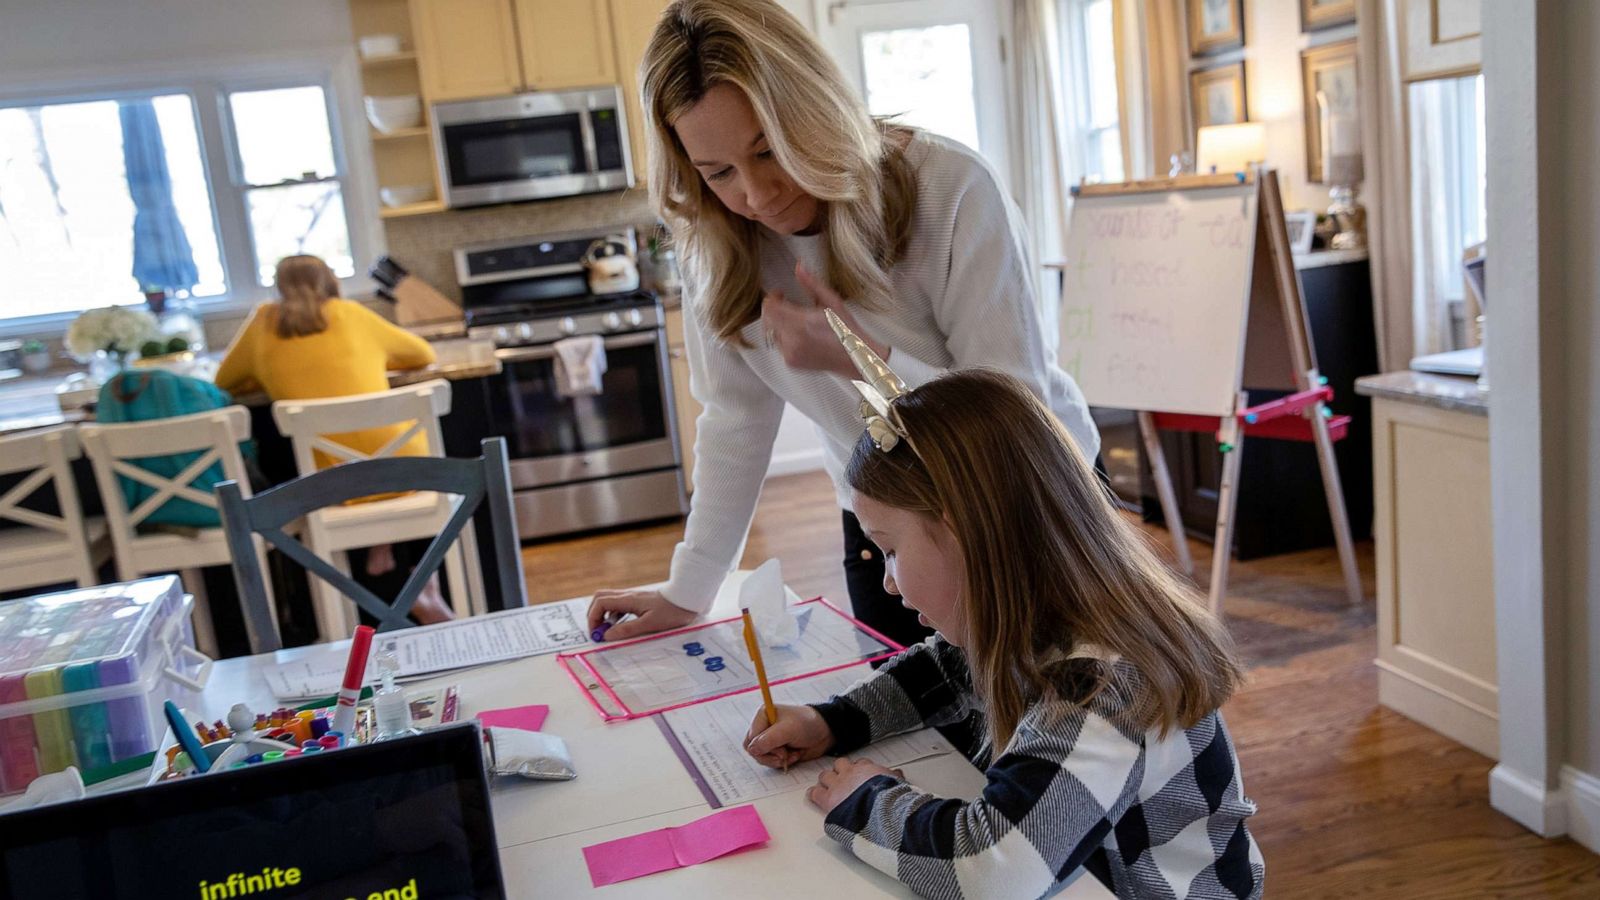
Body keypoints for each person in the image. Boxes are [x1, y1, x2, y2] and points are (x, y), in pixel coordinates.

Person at [587, 0, 1099, 649]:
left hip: (1029, 505)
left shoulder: (952, 186)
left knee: (1050, 735)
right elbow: (734, 422)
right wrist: (689, 590)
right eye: (718, 173)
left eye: (768, 149)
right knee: (906, 731)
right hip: (885, 524)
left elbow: (1013, 416)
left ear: (814, 109)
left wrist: (863, 356)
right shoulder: (711, 243)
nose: (757, 194)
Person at [743, 327, 1263, 898]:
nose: (887, 581)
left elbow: (996, 870)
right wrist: (831, 723)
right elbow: (939, 672)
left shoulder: (1103, 686)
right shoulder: (1038, 619)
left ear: (969, 536)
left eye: (891, 549)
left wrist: (865, 802)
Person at [215, 255, 453, 625]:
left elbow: (224, 382)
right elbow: (422, 354)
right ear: (329, 280)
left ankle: (361, 592)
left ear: (280, 286)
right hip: (403, 469)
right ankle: (416, 581)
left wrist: (266, 373)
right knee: (376, 457)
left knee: (331, 464)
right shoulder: (351, 314)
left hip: (330, 482)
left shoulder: (264, 322)